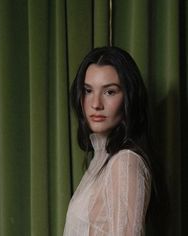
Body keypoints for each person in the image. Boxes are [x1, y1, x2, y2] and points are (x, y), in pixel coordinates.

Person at [63, 46, 155, 235]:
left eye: (109, 92)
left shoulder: (125, 162)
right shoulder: (102, 160)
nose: (96, 104)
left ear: (128, 97)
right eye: (88, 90)